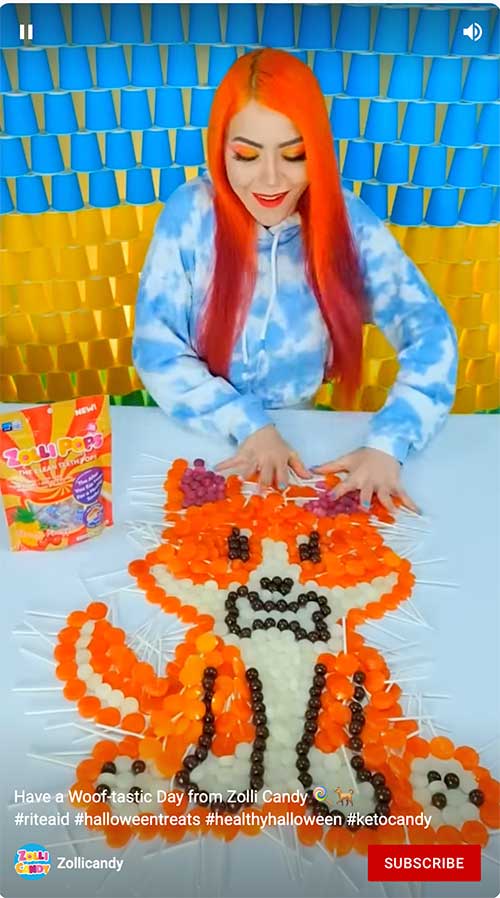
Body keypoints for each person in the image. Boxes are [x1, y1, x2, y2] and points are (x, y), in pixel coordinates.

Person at [133, 49, 457, 513]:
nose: (269, 179)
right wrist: (248, 425)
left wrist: (391, 443)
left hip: (306, 443)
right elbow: (156, 349)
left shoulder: (349, 222)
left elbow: (431, 332)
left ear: (318, 151)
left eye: (295, 154)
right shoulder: (188, 216)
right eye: (246, 155)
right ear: (219, 148)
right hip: (194, 433)